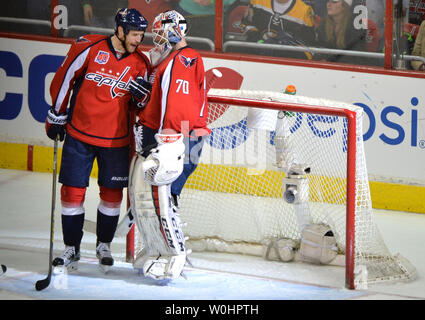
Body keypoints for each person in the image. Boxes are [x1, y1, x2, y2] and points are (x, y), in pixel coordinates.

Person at [44, 8, 151, 273]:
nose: (139, 39)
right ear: (121, 29)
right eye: (135, 34)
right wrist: (57, 115)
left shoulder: (142, 63)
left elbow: (144, 107)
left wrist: (142, 101)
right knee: (71, 193)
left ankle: (104, 245)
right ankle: (71, 248)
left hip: (116, 140)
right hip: (80, 134)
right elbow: (64, 79)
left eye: (141, 34)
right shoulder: (89, 47)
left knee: (112, 196)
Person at [128, 10, 209, 281]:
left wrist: (161, 136)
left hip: (180, 135)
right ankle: (159, 248)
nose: (157, 34)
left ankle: (175, 253)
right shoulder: (168, 59)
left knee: (165, 198)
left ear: (177, 30)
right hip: (179, 134)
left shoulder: (185, 58)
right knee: (158, 198)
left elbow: (174, 107)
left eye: (162, 29)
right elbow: (158, 100)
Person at [240, 0, 316, 59]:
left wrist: (283, 48)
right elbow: (245, 24)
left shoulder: (305, 11)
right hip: (255, 55)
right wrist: (257, 40)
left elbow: (309, 47)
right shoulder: (258, 1)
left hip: (286, 62)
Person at [315, 0, 367, 64]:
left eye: (334, 2)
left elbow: (356, 55)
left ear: (344, 6)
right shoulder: (323, 25)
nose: (328, 5)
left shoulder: (355, 26)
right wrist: (321, 59)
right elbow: (320, 48)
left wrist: (330, 62)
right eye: (328, 1)